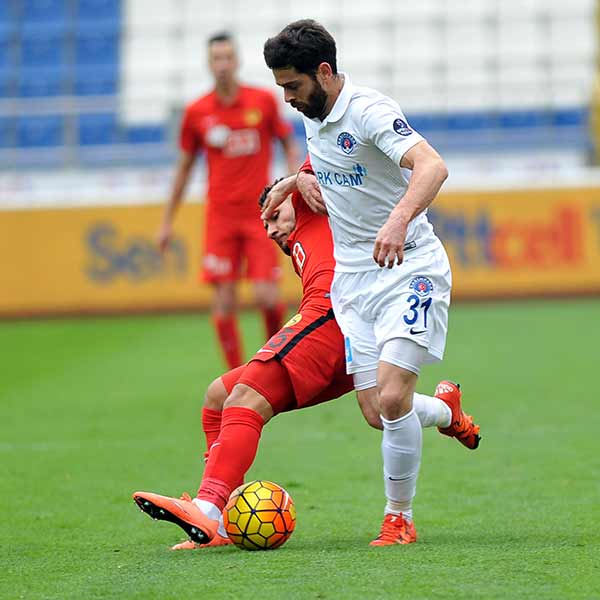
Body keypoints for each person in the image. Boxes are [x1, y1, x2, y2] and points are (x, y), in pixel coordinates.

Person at [133, 174, 480, 550]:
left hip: (328, 315)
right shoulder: (300, 243)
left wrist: (295, 181)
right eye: (264, 222)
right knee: (223, 396)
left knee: (246, 397)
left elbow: (326, 136)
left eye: (275, 215)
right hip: (350, 325)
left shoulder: (313, 202)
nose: (269, 229)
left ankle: (209, 508)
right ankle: (445, 411)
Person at [262, 19, 460, 546]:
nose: (288, 98)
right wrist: (291, 181)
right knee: (378, 412)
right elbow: (327, 163)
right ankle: (446, 411)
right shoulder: (314, 114)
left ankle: (399, 518)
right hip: (352, 282)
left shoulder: (369, 111)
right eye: (281, 87)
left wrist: (396, 222)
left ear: (324, 73)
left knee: (393, 397)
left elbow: (432, 167)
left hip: (408, 270)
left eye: (293, 86)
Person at [158, 31, 299, 369]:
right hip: (220, 218)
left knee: (267, 297)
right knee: (224, 301)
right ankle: (237, 375)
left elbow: (288, 143)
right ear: (209, 65)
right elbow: (184, 167)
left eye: (227, 58)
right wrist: (166, 221)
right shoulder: (197, 112)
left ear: (237, 61)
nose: (222, 65)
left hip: (260, 214)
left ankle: (275, 361)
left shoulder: (262, 101)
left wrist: (294, 187)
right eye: (215, 59)